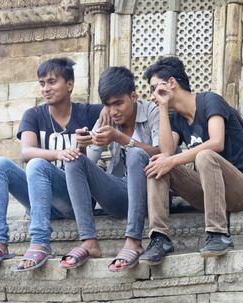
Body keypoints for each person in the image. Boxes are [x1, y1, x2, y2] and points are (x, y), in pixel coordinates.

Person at [0, 58, 104, 271]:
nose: (46, 88)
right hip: (40, 199)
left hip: (75, 199)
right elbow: (26, 151)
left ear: (70, 85)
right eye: (42, 83)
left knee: (37, 165)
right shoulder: (34, 115)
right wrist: (59, 153)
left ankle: (40, 242)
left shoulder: (88, 112)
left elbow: (117, 108)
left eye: (52, 82)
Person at [140, 56, 243, 265]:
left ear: (171, 83)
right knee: (157, 163)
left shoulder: (209, 101)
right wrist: (162, 108)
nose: (152, 95)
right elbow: (167, 152)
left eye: (154, 88)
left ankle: (218, 234)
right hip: (208, 193)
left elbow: (217, 142)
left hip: (241, 191)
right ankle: (160, 238)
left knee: (204, 155)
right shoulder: (177, 119)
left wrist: (172, 160)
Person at [60, 66, 160, 271]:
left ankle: (133, 241)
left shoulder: (151, 111)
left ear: (133, 96)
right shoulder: (107, 118)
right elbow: (89, 163)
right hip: (119, 195)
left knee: (135, 154)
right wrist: (81, 145)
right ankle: (89, 241)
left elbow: (163, 152)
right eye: (108, 105)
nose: (113, 111)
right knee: (73, 158)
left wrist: (121, 139)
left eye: (118, 103)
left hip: (153, 195)